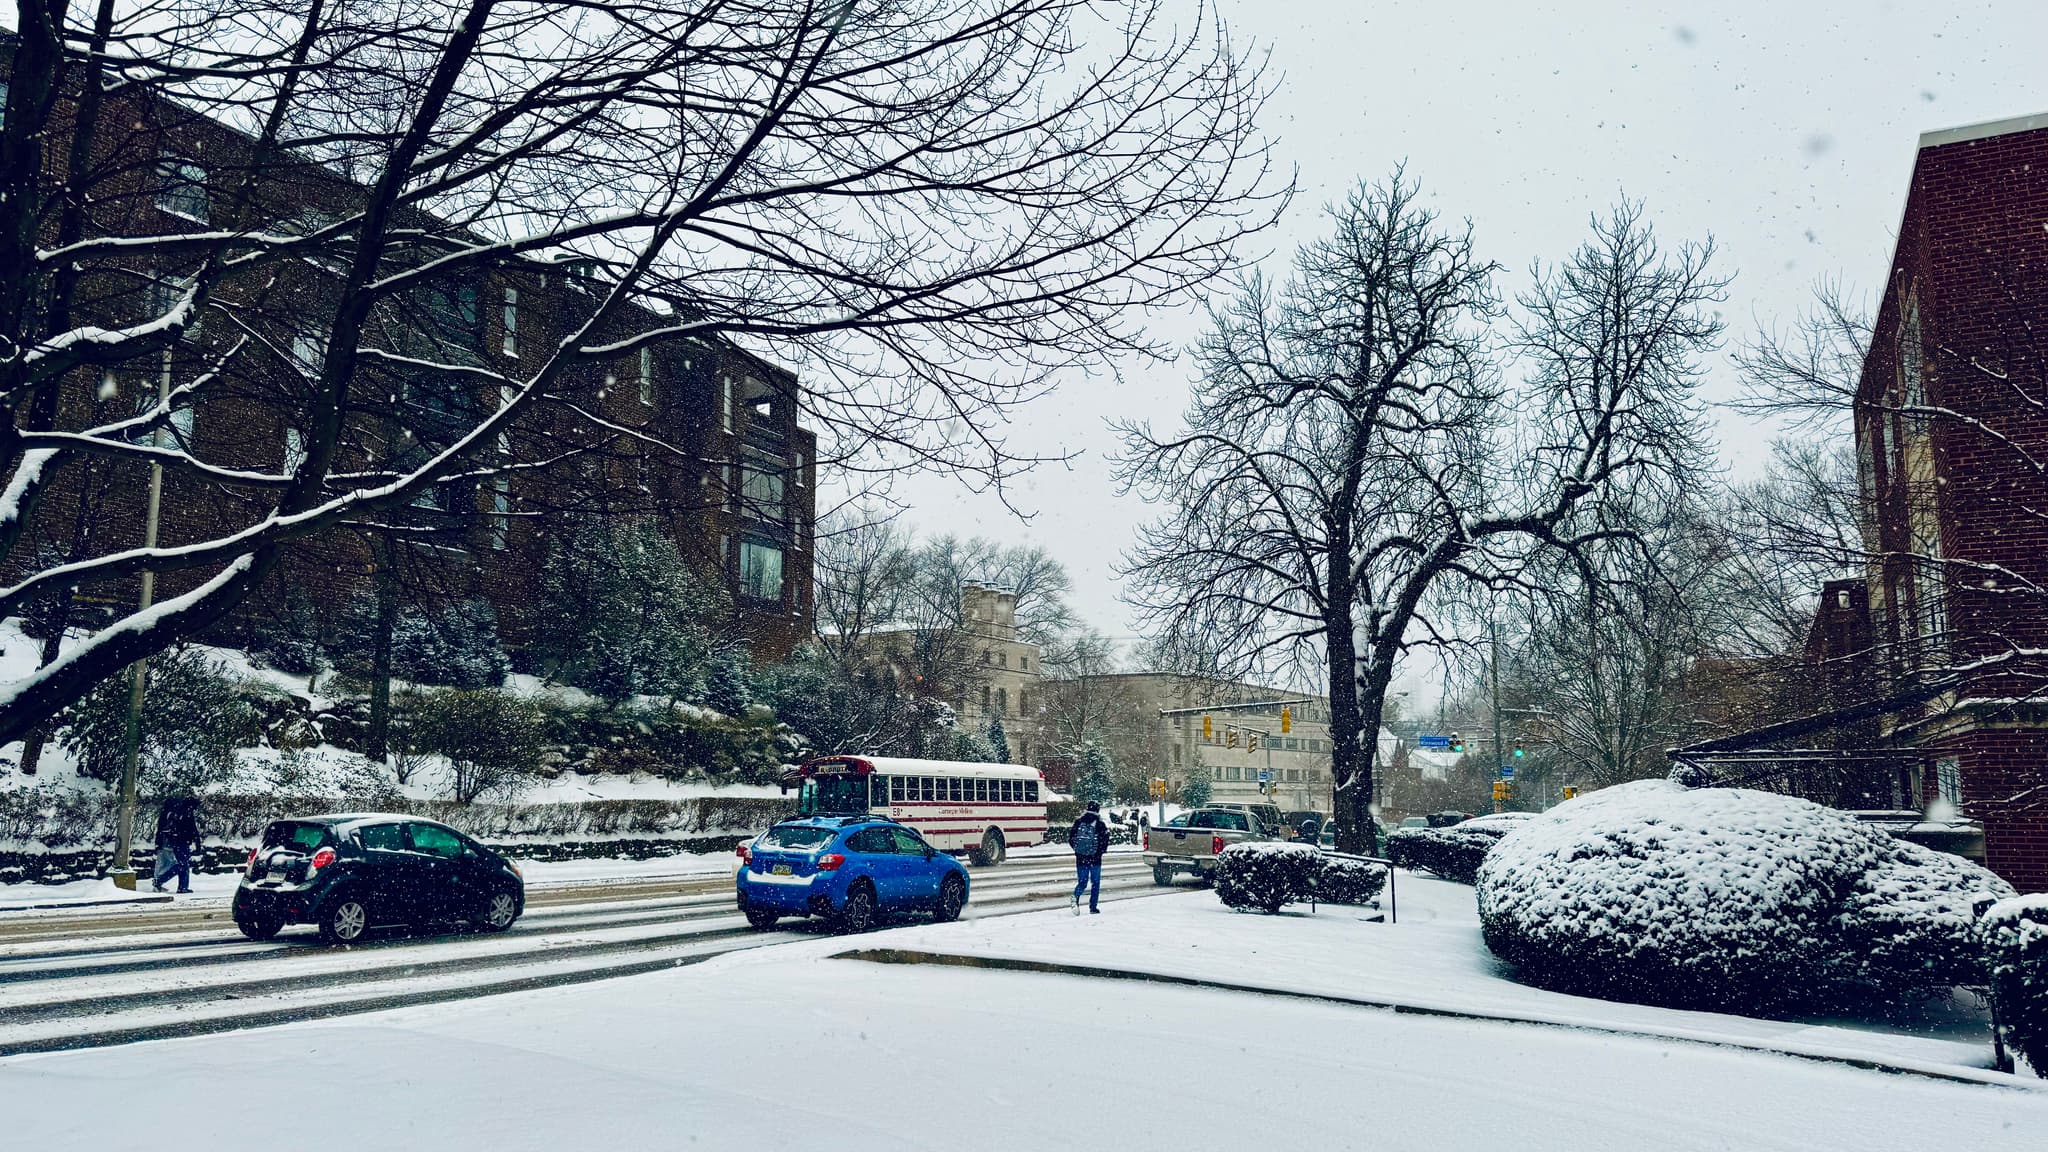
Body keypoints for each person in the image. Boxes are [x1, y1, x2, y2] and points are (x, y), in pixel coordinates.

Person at [153, 793, 201, 894]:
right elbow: (193, 829)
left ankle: (182, 887)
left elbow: (162, 829)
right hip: (182, 842)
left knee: (183, 865)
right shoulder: (186, 813)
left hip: (176, 842)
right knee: (182, 865)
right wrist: (197, 844)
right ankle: (161, 880)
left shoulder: (175, 812)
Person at [1068, 800, 1109, 915]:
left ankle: (1075, 896)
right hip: (1095, 860)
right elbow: (1104, 842)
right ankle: (1093, 907)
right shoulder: (1100, 824)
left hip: (1081, 858)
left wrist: (1078, 850)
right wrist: (1099, 852)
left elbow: (1071, 838)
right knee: (1095, 883)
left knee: (1082, 882)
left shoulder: (1079, 822)